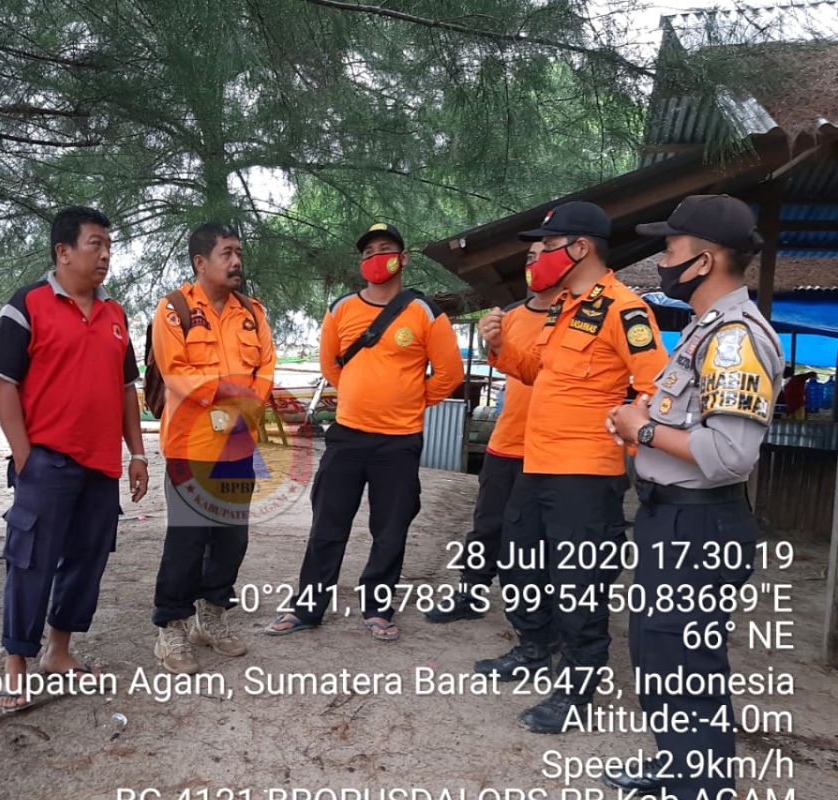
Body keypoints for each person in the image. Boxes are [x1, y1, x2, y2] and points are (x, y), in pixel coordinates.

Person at [604, 195, 783, 800]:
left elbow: (731, 455)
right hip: (673, 521)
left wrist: (643, 430)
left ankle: (700, 787)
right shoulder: (706, 332)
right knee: (659, 660)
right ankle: (680, 771)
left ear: (704, 261)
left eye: (671, 247)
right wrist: (640, 419)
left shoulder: (736, 340)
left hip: (698, 529)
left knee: (684, 669)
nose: (662, 258)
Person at [477, 201, 667, 733]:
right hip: (536, 464)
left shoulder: (625, 309)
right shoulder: (565, 306)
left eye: (550, 244)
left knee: (579, 582)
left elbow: (657, 386)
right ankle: (534, 648)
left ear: (580, 248)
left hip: (586, 472)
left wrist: (632, 429)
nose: (540, 256)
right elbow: (536, 370)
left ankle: (578, 687)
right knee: (518, 565)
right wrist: (498, 347)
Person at [0, 206, 149, 712]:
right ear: (63, 251)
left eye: (109, 246)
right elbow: (2, 381)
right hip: (46, 463)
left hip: (100, 466)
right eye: (94, 244)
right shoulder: (28, 304)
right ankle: (17, 664)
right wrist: (24, 454)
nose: (104, 255)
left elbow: (125, 391)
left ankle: (59, 651)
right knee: (29, 560)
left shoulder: (115, 314)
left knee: (87, 560)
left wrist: (137, 453)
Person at [266, 223, 463, 641]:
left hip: (399, 442)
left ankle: (378, 607)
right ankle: (308, 607)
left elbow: (449, 374)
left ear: (403, 258)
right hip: (348, 438)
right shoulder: (341, 310)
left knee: (390, 529)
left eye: (386, 249)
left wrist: (409, 400)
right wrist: (362, 395)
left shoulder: (424, 312)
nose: (376, 257)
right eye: (369, 251)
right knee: (327, 525)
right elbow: (331, 367)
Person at [150, 222, 277, 674]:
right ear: (201, 262)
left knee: (230, 539)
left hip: (238, 446)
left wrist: (243, 408)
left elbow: (265, 370)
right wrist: (228, 398)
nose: (236, 261)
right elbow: (178, 373)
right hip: (191, 445)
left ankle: (212, 617)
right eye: (226, 253)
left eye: (238, 252)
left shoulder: (252, 313)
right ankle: (170, 626)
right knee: (187, 540)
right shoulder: (174, 310)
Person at [426, 241, 559, 623]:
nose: (535, 263)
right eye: (529, 257)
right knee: (488, 525)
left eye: (544, 255)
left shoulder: (575, 314)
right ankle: (471, 593)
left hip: (550, 449)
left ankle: (537, 611)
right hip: (507, 441)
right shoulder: (512, 315)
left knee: (539, 536)